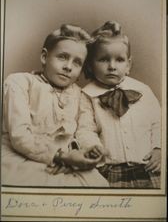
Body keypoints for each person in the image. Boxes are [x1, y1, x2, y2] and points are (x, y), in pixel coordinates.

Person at [2, 24, 108, 187]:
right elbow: (19, 135)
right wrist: (60, 156)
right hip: (23, 157)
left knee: (99, 186)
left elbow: (85, 131)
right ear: (45, 57)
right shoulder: (19, 82)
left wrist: (92, 149)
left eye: (77, 62)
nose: (68, 67)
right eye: (63, 57)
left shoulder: (80, 95)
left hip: (69, 161)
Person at [82, 21, 161, 188]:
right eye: (103, 59)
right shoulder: (87, 95)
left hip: (147, 166)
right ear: (90, 64)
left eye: (119, 60)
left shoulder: (142, 90)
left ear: (128, 65)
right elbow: (85, 129)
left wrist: (159, 149)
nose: (112, 66)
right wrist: (92, 146)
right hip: (109, 170)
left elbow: (158, 123)